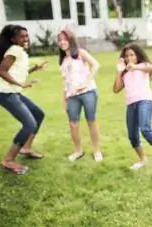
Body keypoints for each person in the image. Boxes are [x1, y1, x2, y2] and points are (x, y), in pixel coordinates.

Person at [113, 43, 152, 179]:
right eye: (126, 56)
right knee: (132, 136)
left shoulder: (143, 66)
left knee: (145, 129)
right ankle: (143, 160)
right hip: (131, 104)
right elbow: (116, 89)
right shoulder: (124, 72)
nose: (129, 58)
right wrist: (119, 71)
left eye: (132, 55)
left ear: (137, 56)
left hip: (144, 101)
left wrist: (135, 67)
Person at [0, 24, 47, 174]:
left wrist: (33, 69)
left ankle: (26, 148)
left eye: (26, 35)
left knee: (38, 114)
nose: (25, 38)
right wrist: (20, 84)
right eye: (21, 36)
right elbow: (2, 72)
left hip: (12, 92)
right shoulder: (14, 50)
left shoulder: (18, 51)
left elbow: (16, 71)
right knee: (29, 124)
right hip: (5, 93)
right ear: (13, 39)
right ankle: (8, 160)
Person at [57, 29, 102, 162]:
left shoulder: (81, 53)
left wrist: (86, 82)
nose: (62, 42)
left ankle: (97, 150)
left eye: (65, 39)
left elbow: (95, 65)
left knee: (91, 121)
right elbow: (65, 81)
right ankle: (78, 151)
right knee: (73, 124)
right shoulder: (63, 60)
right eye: (60, 40)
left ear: (71, 40)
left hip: (88, 92)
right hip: (72, 96)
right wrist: (64, 100)